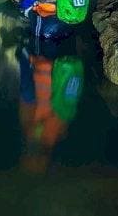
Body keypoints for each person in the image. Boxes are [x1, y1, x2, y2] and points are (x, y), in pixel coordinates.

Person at [17, 37, 83, 174]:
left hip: (49, 62)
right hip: (49, 60)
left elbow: (27, 96)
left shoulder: (37, 132)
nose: (31, 154)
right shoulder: (51, 132)